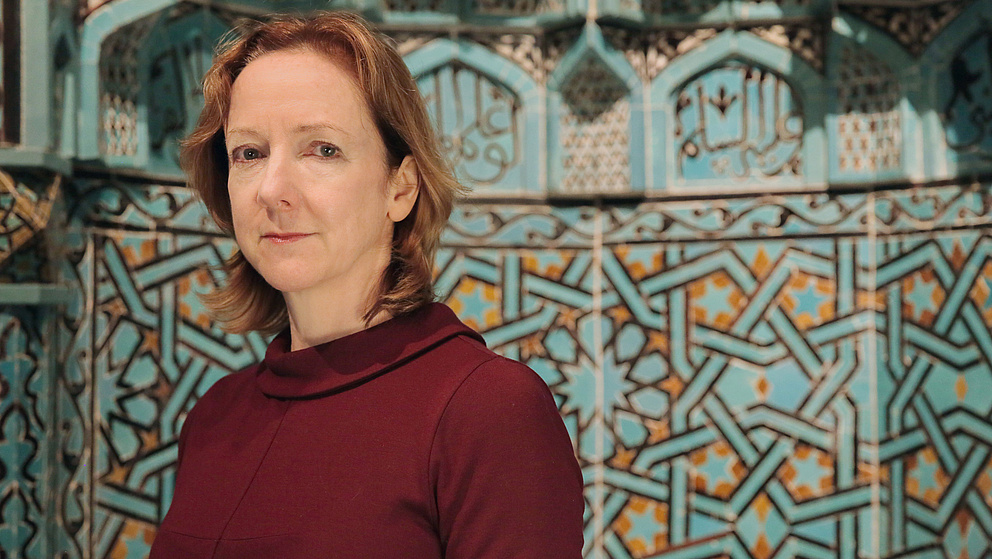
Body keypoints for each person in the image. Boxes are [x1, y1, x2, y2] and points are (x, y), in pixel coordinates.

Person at [148, 10, 584, 559]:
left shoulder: (488, 410)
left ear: (400, 189)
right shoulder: (214, 417)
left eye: (322, 149)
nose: (272, 190)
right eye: (250, 153)